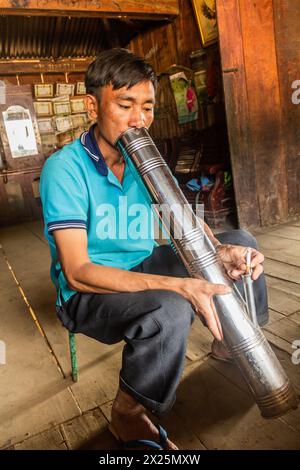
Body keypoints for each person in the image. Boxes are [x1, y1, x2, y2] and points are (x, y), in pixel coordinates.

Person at [40, 48, 268, 450]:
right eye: (125, 105)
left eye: (147, 107)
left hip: (142, 262)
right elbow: (77, 271)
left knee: (241, 243)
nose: (139, 120)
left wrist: (218, 250)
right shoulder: (65, 168)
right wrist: (178, 286)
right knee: (170, 307)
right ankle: (128, 410)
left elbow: (180, 214)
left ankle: (232, 340)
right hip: (89, 291)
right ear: (93, 105)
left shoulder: (142, 154)